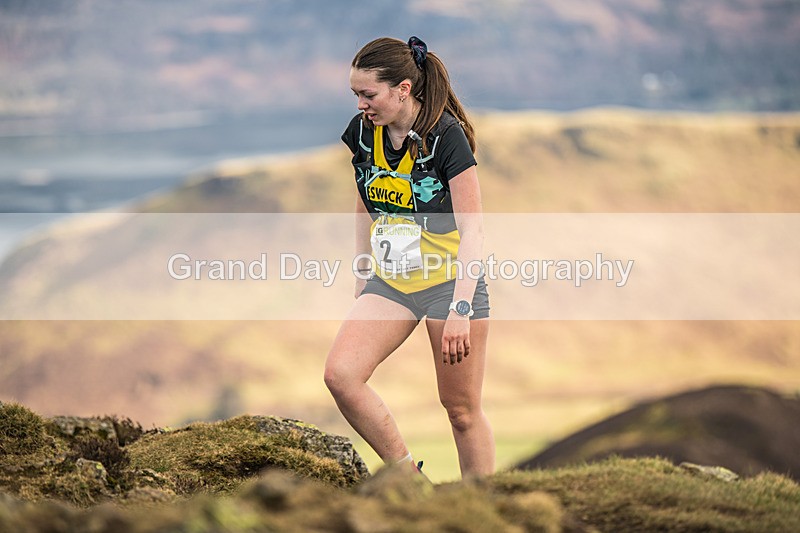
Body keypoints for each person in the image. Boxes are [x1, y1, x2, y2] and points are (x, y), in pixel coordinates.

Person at [324, 36, 494, 479]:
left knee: (460, 410)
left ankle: (484, 509)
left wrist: (460, 307)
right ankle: (407, 479)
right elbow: (365, 199)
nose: (361, 104)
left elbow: (473, 229)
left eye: (368, 94)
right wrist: (362, 270)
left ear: (403, 88)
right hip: (394, 283)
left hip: (449, 286)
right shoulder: (362, 133)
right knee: (341, 375)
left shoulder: (446, 136)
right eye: (355, 95)